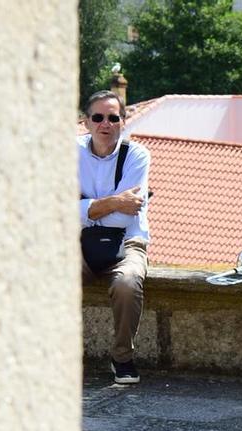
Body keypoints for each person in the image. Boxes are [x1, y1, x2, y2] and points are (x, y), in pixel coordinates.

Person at [78, 89, 151, 386]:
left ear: (123, 121)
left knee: (127, 283)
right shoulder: (69, 152)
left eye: (112, 117)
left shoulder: (137, 155)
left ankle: (122, 357)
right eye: (98, 117)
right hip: (78, 241)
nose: (105, 124)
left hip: (127, 240)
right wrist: (114, 201)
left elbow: (126, 216)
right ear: (86, 122)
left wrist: (85, 205)